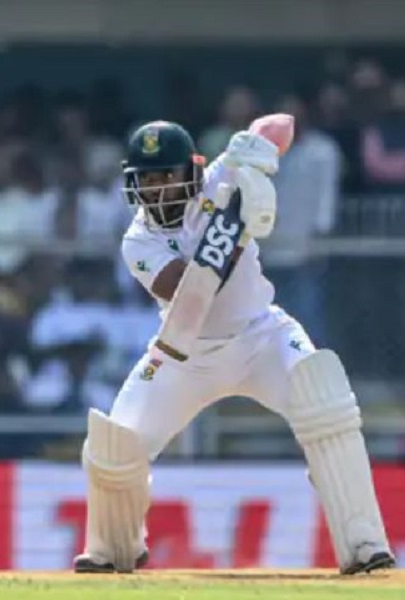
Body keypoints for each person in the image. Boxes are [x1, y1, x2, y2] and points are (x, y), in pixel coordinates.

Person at [73, 120, 395, 575]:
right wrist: (233, 228)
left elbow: (281, 126)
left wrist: (256, 152)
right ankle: (113, 549)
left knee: (323, 398)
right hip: (186, 354)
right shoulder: (138, 241)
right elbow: (192, 294)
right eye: (146, 179)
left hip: (263, 336)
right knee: (114, 444)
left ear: (192, 171)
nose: (157, 188)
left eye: (166, 175)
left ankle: (364, 544)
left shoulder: (222, 178)